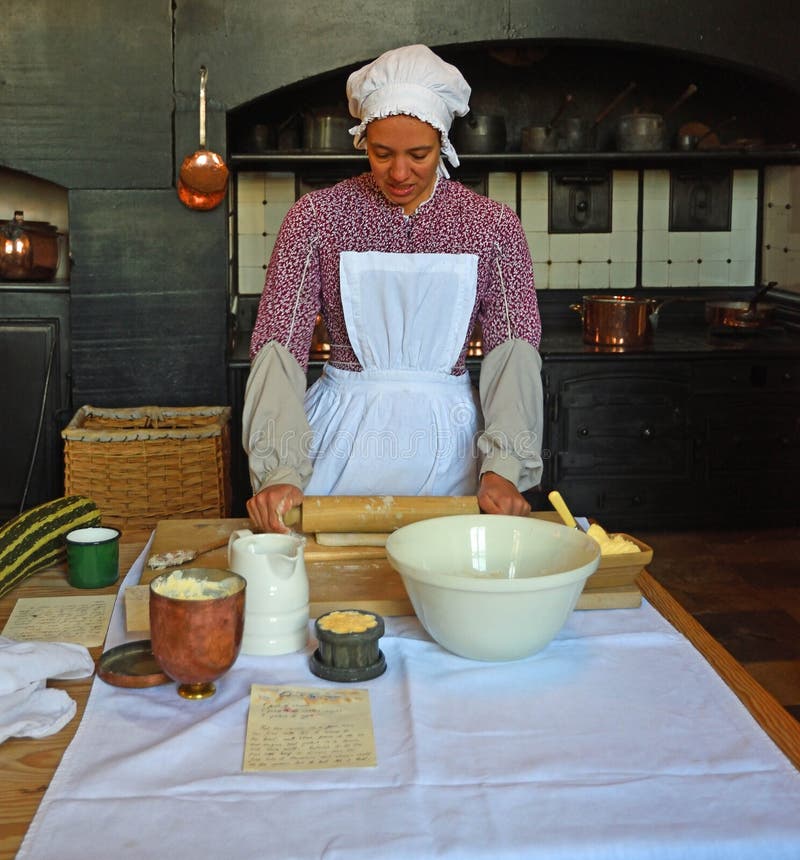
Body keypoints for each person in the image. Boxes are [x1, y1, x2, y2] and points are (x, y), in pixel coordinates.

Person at [243, 44, 543, 533]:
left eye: (418, 155)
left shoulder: (492, 226)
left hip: (453, 451)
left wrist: (504, 469)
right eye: (382, 154)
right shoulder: (316, 218)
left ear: (443, 143)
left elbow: (514, 351)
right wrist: (279, 470)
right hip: (339, 447)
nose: (400, 173)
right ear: (362, 140)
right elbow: (279, 345)